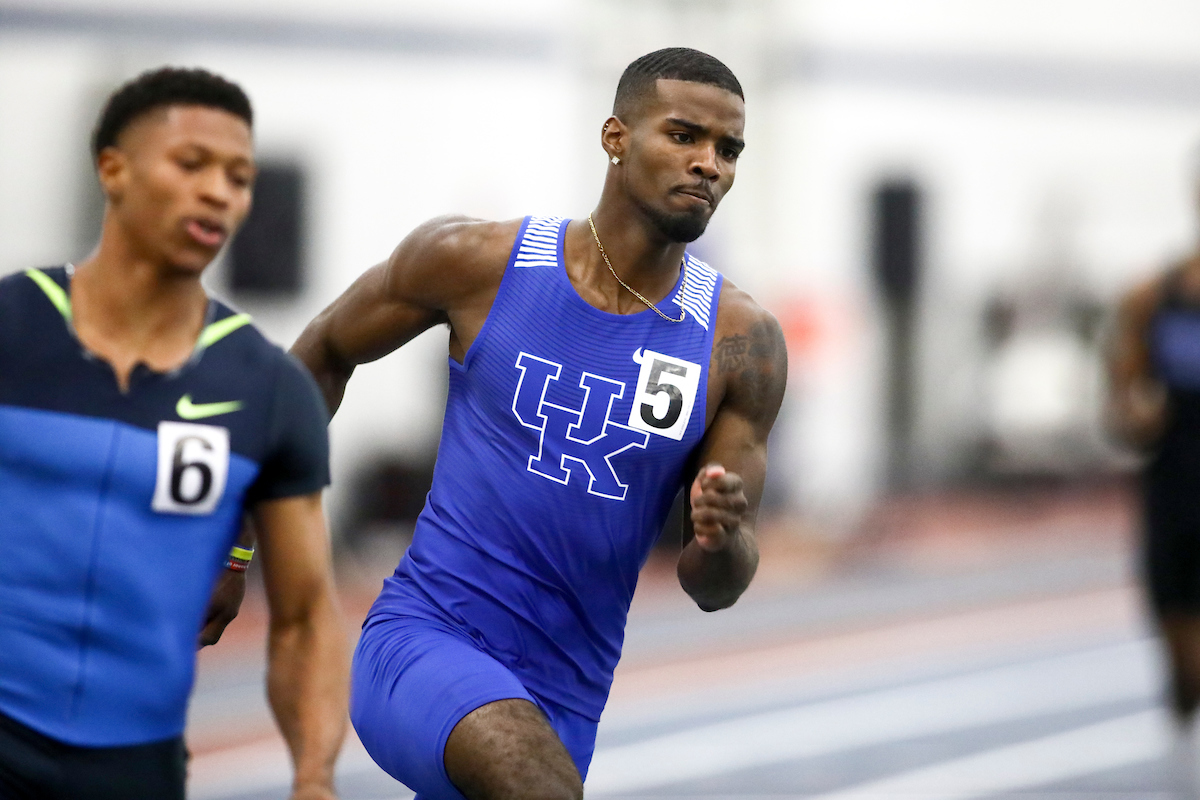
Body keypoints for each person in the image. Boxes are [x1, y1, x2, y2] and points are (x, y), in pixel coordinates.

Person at [292, 47, 787, 799]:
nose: (709, 165)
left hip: (567, 697)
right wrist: (236, 544)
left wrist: (724, 537)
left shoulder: (739, 344)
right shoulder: (477, 263)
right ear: (615, 137)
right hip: (425, 639)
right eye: (684, 136)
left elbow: (713, 586)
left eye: (728, 149)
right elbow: (320, 353)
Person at [0, 67, 349, 799]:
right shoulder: (12, 327)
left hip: (135, 764)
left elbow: (306, 617)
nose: (220, 191)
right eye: (192, 164)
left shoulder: (266, 387)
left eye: (239, 175)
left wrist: (314, 778)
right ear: (113, 169)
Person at [1107, 159, 1200, 781]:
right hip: (1176, 484)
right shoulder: (1154, 297)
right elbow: (1120, 404)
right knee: (1181, 649)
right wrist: (1135, 415)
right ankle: (1183, 725)